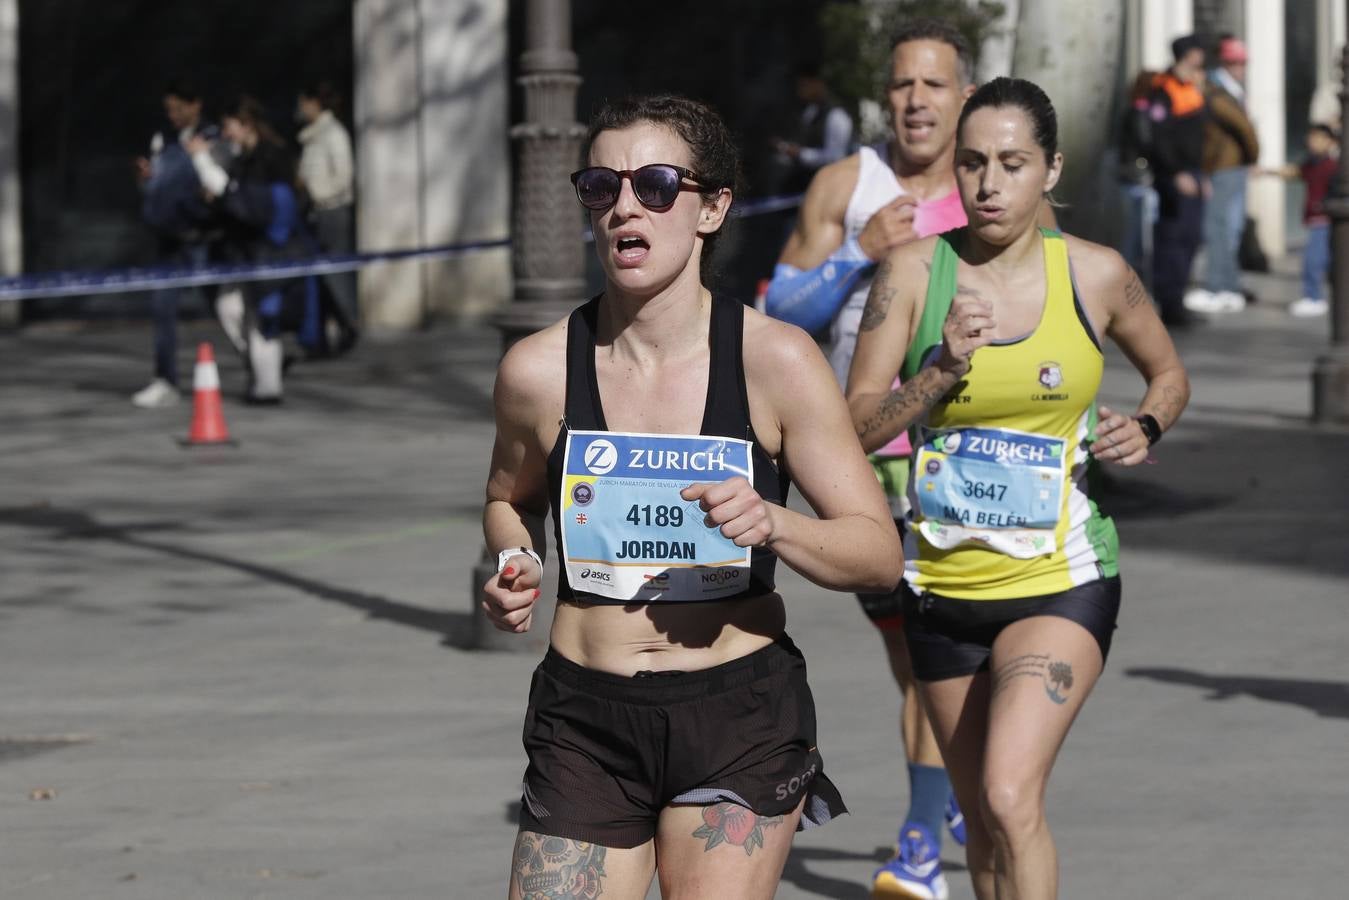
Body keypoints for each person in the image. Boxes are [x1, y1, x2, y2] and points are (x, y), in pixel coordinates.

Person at [480, 93, 903, 900]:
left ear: (711, 208)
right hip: (585, 716)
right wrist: (514, 557)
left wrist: (772, 521)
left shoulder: (774, 361)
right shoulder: (535, 371)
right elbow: (508, 497)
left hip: (736, 714)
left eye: (657, 185)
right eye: (601, 187)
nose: (624, 207)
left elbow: (876, 552)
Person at [846, 77, 1190, 899]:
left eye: (1011, 162)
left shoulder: (1097, 275)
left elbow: (1168, 373)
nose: (989, 183)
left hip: (1059, 582)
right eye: (972, 164)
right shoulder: (910, 273)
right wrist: (936, 373)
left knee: (1008, 795)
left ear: (1051, 171)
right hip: (938, 586)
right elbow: (851, 426)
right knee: (980, 822)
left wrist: (1143, 426)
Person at [764, 19, 974, 899]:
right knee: (918, 664)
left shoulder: (991, 184)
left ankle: (921, 842)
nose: (915, 101)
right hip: (868, 458)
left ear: (965, 94)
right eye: (900, 86)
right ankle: (952, 775)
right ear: (883, 97)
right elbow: (779, 314)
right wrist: (861, 251)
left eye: (933, 85)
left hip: (972, 457)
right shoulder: (848, 186)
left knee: (936, 659)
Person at [187, 96, 305, 404]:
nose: (226, 134)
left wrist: (203, 164)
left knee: (260, 318)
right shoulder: (244, 158)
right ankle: (266, 370)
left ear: (246, 124)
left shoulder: (271, 158)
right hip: (243, 251)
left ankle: (267, 387)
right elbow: (234, 200)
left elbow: (249, 205)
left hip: (268, 250)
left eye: (230, 126)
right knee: (230, 308)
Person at [132, 79, 221, 408]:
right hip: (169, 239)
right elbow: (154, 189)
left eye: (178, 108)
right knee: (163, 308)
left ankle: (263, 364)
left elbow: (219, 183)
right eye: (168, 109)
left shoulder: (213, 137)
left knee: (228, 306)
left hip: (204, 238)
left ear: (195, 104)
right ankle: (165, 379)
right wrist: (145, 181)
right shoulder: (164, 141)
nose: (172, 115)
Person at [1186, 35, 1259, 315]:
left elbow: (1244, 127)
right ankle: (1226, 286)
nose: (1241, 67)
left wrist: (1251, 156)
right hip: (1226, 166)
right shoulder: (1223, 89)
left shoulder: (1217, 92)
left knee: (1221, 228)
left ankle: (1219, 287)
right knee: (1225, 228)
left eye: (1242, 62)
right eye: (1235, 62)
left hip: (1225, 168)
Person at [1144, 34, 1209, 327]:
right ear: (1189, 55)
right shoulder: (1164, 88)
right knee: (1172, 238)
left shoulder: (1192, 88)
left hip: (1193, 173)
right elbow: (1160, 138)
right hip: (1174, 177)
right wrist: (1175, 173)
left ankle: (1179, 298)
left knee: (1191, 238)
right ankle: (1169, 302)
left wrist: (1201, 173)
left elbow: (1197, 136)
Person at [297, 81, 359, 353]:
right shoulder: (314, 135)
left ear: (315, 102)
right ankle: (322, 335)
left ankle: (348, 326)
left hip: (331, 211)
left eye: (303, 102)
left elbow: (343, 178)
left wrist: (316, 192)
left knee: (336, 276)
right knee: (320, 278)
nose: (300, 108)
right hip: (315, 212)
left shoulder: (333, 134)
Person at [1264, 123, 1340, 317]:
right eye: (1311, 137)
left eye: (1319, 138)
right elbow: (1292, 172)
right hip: (1315, 220)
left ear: (1330, 142)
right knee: (1318, 260)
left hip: (1324, 220)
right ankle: (1314, 297)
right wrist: (1265, 172)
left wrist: (1326, 206)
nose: (1313, 142)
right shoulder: (1310, 165)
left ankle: (1314, 298)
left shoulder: (1332, 166)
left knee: (1314, 261)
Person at [771, 62, 855, 195]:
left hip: (828, 190)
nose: (800, 91)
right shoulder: (809, 111)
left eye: (804, 85)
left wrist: (800, 154)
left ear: (818, 83)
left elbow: (835, 157)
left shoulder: (836, 116)